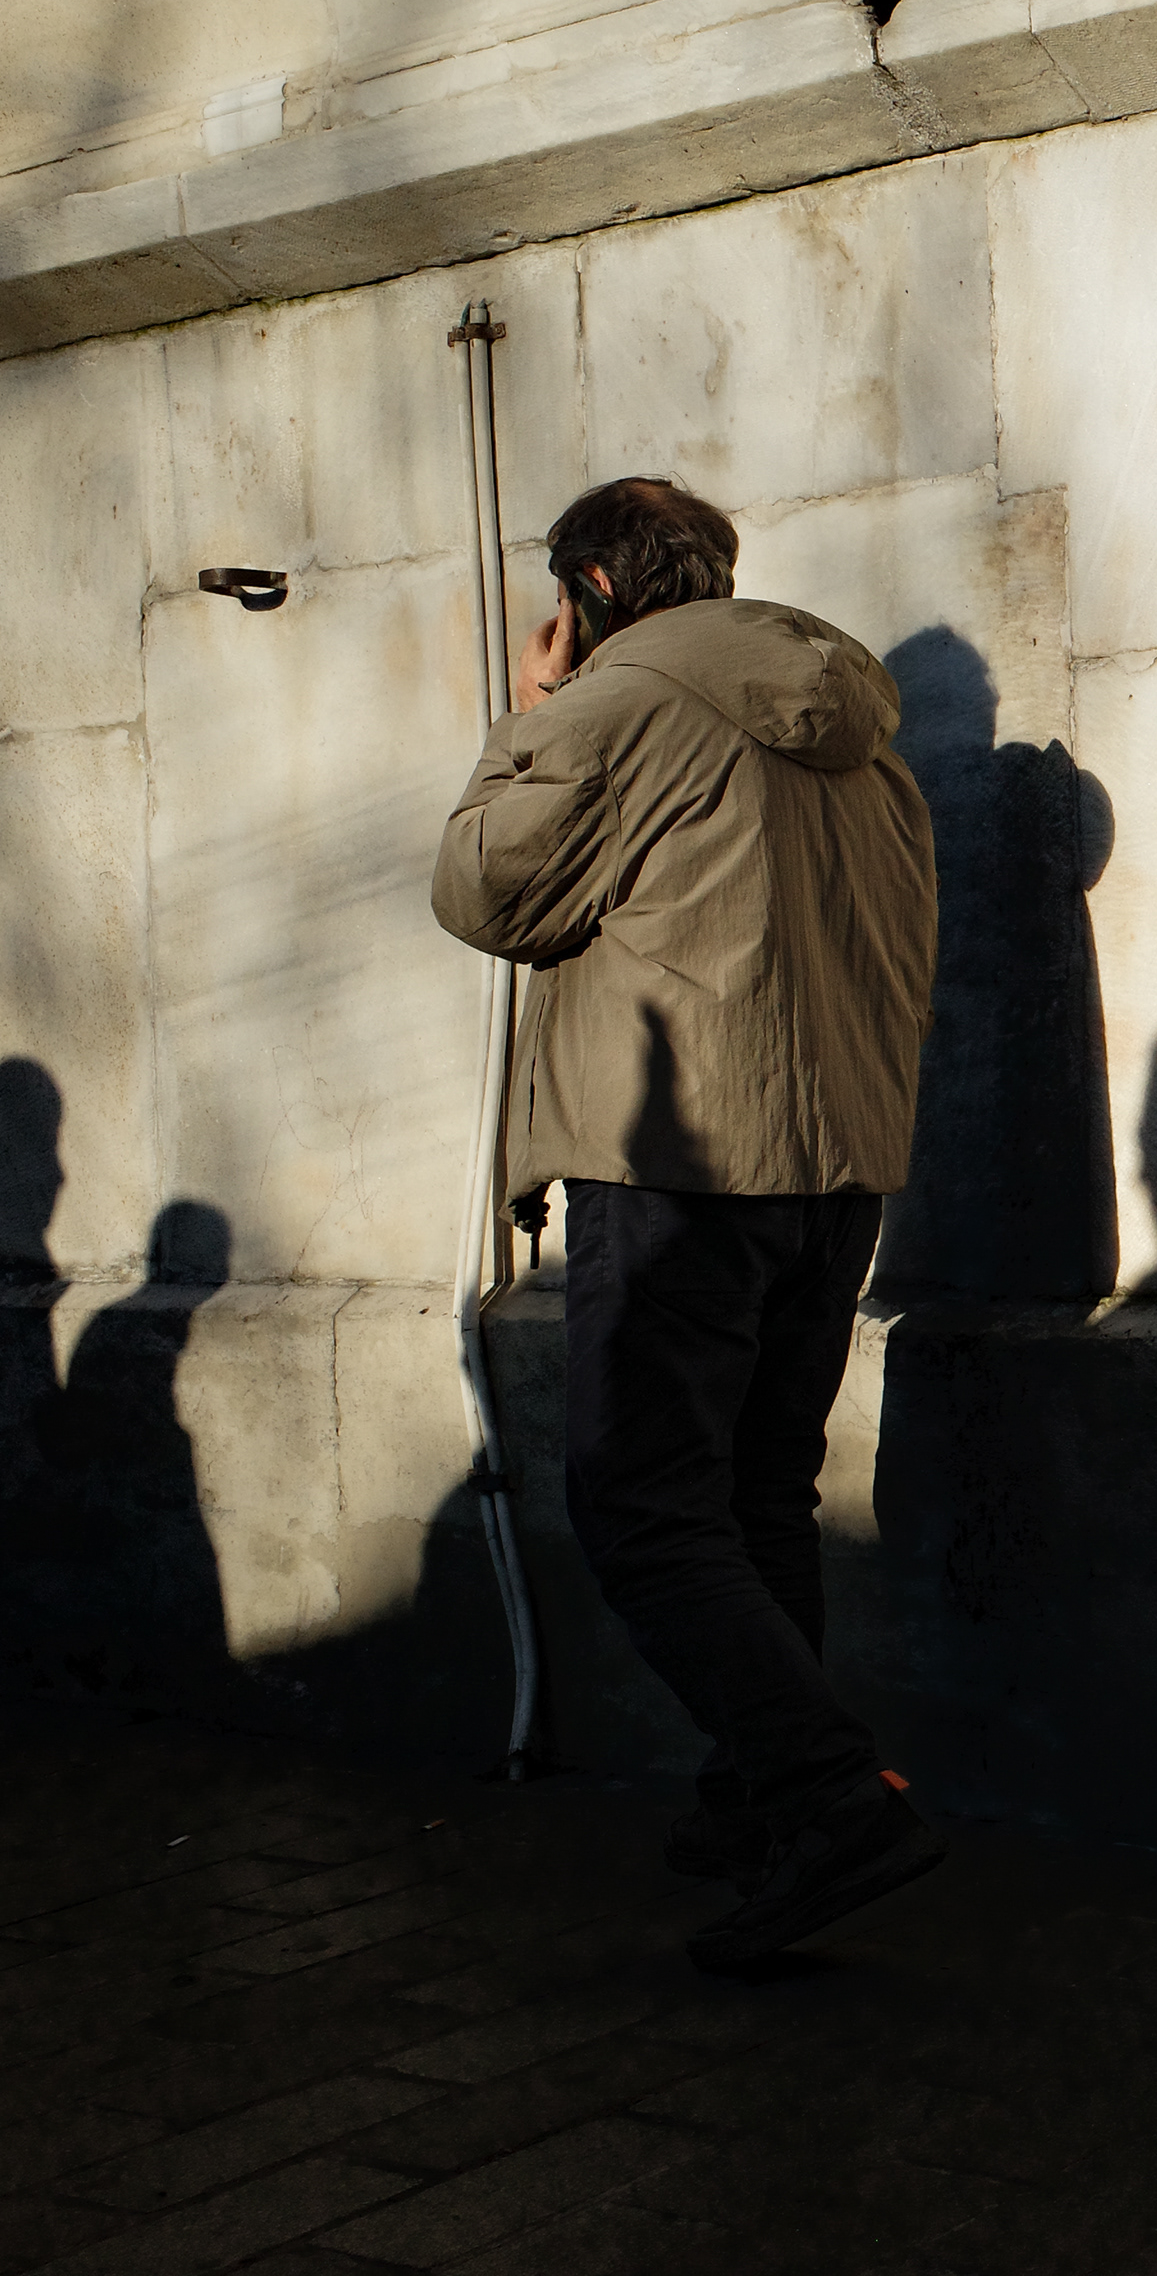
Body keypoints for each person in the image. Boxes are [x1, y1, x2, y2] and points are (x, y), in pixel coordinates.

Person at [433, 475, 945, 1974]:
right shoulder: (853, 720)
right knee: (755, 1495)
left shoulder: (618, 705)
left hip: (680, 1163)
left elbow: (483, 888)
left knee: (641, 1502)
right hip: (835, 1161)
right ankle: (760, 1800)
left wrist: (524, 714)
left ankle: (829, 1798)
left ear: (589, 583)